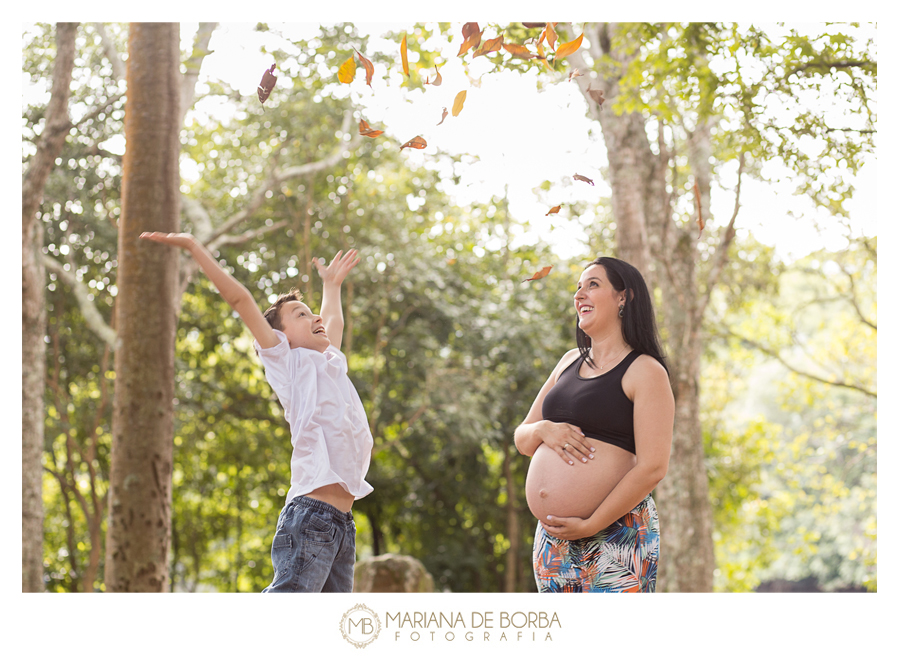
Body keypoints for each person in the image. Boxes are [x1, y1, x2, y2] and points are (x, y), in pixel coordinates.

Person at [140, 232, 373, 592]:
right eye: (300, 314)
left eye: (314, 313)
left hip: (342, 524)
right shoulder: (290, 365)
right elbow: (240, 299)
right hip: (312, 516)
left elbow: (334, 322)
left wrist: (332, 285)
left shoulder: (329, 364)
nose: (315, 318)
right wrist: (193, 247)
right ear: (282, 338)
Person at [514, 256, 674, 593]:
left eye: (593, 285)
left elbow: (653, 468)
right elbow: (523, 437)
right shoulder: (568, 362)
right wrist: (544, 429)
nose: (580, 294)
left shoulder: (645, 371)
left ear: (623, 297)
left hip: (617, 535)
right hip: (553, 542)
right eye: (578, 288)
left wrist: (591, 524)